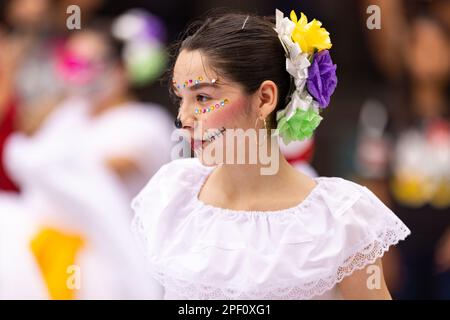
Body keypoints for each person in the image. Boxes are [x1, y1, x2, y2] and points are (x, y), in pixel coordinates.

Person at [131, 9, 410, 300]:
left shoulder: (339, 218)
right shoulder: (172, 196)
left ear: (264, 98)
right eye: (181, 98)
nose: (183, 118)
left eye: (202, 98)